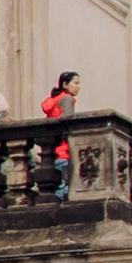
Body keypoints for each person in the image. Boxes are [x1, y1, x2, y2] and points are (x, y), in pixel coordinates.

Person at [41, 68, 81, 196]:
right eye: (75, 83)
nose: (78, 87)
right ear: (65, 84)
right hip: (63, 150)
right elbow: (68, 123)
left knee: (56, 185)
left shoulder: (54, 100)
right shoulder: (67, 99)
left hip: (52, 151)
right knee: (64, 187)